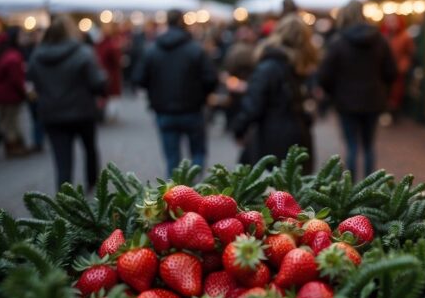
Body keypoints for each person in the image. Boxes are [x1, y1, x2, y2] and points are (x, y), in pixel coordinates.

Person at [133, 9, 217, 177]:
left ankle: (175, 197)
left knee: (172, 158)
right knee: (198, 154)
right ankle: (196, 192)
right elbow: (211, 79)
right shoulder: (196, 50)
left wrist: (154, 90)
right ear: (182, 22)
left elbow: (139, 79)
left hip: (164, 111)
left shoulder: (153, 49)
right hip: (192, 110)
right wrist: (201, 96)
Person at [27, 15, 108, 189]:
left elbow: (32, 80)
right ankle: (93, 187)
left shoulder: (37, 55)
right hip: (82, 111)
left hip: (52, 113)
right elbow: (97, 83)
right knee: (90, 150)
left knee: (62, 159)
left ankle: (65, 197)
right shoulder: (83, 52)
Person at [318, 0, 397, 178]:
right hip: (374, 100)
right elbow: (391, 71)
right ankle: (370, 186)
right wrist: (383, 90)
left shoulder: (338, 42)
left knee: (352, 146)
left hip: (346, 102)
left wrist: (333, 92)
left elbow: (324, 75)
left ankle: (352, 189)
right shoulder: (380, 40)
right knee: (369, 145)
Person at [232, 14, 318, 170]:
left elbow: (254, 104)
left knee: (271, 189)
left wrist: (239, 128)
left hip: (271, 136)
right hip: (300, 134)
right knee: (296, 188)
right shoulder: (303, 66)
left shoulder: (269, 66)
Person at [0, 27, 29, 157]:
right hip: (9, 95)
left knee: (7, 121)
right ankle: (13, 148)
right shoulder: (13, 56)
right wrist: (24, 93)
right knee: (11, 123)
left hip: (3, 95)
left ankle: (13, 146)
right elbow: (16, 79)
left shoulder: (5, 54)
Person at [381, 14, 415, 121]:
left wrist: (403, 66)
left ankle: (393, 113)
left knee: (396, 92)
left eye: (393, 21)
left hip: (397, 70)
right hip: (385, 70)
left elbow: (410, 53)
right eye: (389, 21)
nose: (391, 23)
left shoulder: (404, 36)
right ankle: (386, 112)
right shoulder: (383, 35)